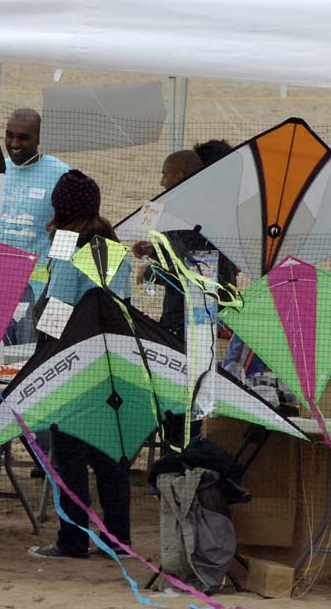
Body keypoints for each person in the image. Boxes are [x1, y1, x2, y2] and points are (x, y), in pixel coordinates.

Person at [28, 170, 132, 559]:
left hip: (75, 366)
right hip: (115, 366)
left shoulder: (71, 248)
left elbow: (57, 306)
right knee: (110, 457)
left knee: (69, 457)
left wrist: (42, 355)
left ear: (61, 209)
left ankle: (73, 541)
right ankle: (118, 542)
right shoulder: (114, 248)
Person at [0, 108, 70, 345]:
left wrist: (56, 295)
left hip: (39, 290)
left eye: (23, 137)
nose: (14, 143)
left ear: (39, 138)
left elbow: (70, 234)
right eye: (9, 135)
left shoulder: (61, 175)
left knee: (29, 360)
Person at [131, 149, 236, 341]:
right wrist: (155, 251)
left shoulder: (193, 217)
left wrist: (152, 272)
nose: (161, 182)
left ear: (179, 177)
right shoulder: (203, 208)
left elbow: (200, 277)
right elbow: (185, 255)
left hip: (196, 320)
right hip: (191, 314)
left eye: (165, 174)